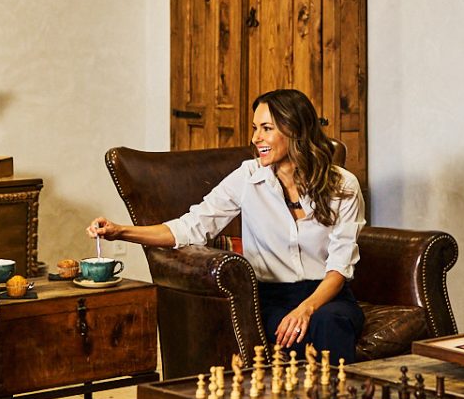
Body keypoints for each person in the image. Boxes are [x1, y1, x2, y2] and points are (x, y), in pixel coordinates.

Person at [89, 88, 367, 360]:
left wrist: (306, 309)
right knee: (297, 331)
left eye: (266, 128)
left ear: (294, 129)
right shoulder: (247, 177)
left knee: (328, 323)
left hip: (328, 296)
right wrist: (120, 231)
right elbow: (191, 227)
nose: (256, 138)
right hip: (271, 298)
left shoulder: (342, 185)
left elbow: (340, 266)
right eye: (255, 128)